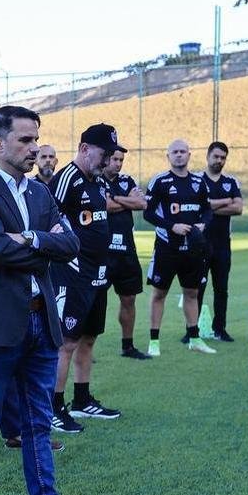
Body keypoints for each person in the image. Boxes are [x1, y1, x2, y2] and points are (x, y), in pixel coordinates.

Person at [0, 105, 98, 495]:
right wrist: (43, 246)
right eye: (25, 140)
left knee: (38, 420)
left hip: (41, 321)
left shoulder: (39, 193)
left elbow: (71, 244)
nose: (35, 147)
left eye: (36, 138)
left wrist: (33, 238)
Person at [48, 124, 125, 433]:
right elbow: (48, 216)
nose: (108, 160)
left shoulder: (99, 181)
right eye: (105, 153)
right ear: (84, 149)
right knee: (66, 341)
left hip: (98, 272)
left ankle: (82, 399)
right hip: (72, 273)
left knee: (89, 337)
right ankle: (53, 407)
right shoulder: (67, 178)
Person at [144, 139, 216, 356]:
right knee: (159, 294)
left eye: (182, 151)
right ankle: (154, 342)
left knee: (192, 293)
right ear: (168, 156)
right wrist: (171, 226)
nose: (179, 155)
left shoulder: (199, 182)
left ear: (189, 155)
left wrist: (203, 224)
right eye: (174, 152)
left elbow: (208, 210)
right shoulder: (160, 181)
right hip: (167, 248)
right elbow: (148, 213)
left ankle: (194, 339)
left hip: (192, 249)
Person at [103, 147, 150, 360]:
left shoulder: (126, 180)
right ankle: (83, 346)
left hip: (127, 251)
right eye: (115, 159)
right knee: (93, 299)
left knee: (129, 298)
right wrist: (126, 201)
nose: (118, 163)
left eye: (121, 160)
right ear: (106, 158)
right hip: (102, 252)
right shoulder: (95, 180)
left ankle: (128, 346)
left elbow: (142, 203)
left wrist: (116, 198)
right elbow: (104, 206)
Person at [198, 141, 243, 341]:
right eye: (216, 156)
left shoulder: (231, 182)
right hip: (200, 243)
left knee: (221, 288)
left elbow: (238, 208)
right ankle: (192, 330)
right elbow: (198, 206)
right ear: (208, 156)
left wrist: (209, 206)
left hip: (223, 244)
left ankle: (220, 329)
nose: (219, 160)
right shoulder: (197, 180)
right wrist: (226, 201)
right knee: (197, 288)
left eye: (223, 157)